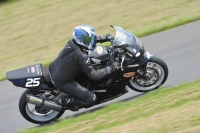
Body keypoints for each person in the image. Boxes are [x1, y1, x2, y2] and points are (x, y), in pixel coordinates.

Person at [49, 24, 118, 111]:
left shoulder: (72, 42)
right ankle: (65, 101)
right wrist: (111, 68)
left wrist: (104, 38)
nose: (90, 40)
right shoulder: (81, 56)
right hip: (63, 82)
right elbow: (94, 75)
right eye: (88, 38)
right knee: (91, 98)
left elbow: (89, 41)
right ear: (81, 40)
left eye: (90, 38)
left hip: (55, 68)